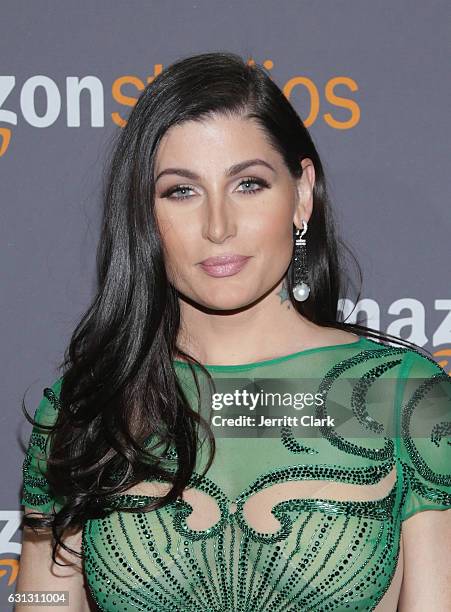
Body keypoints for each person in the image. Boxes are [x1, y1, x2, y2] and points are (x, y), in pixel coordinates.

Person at [16, 51, 451, 612]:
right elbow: (37, 597)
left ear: (300, 196)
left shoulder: (405, 399)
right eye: (181, 191)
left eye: (248, 184)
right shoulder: (87, 411)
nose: (217, 226)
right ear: (146, 215)